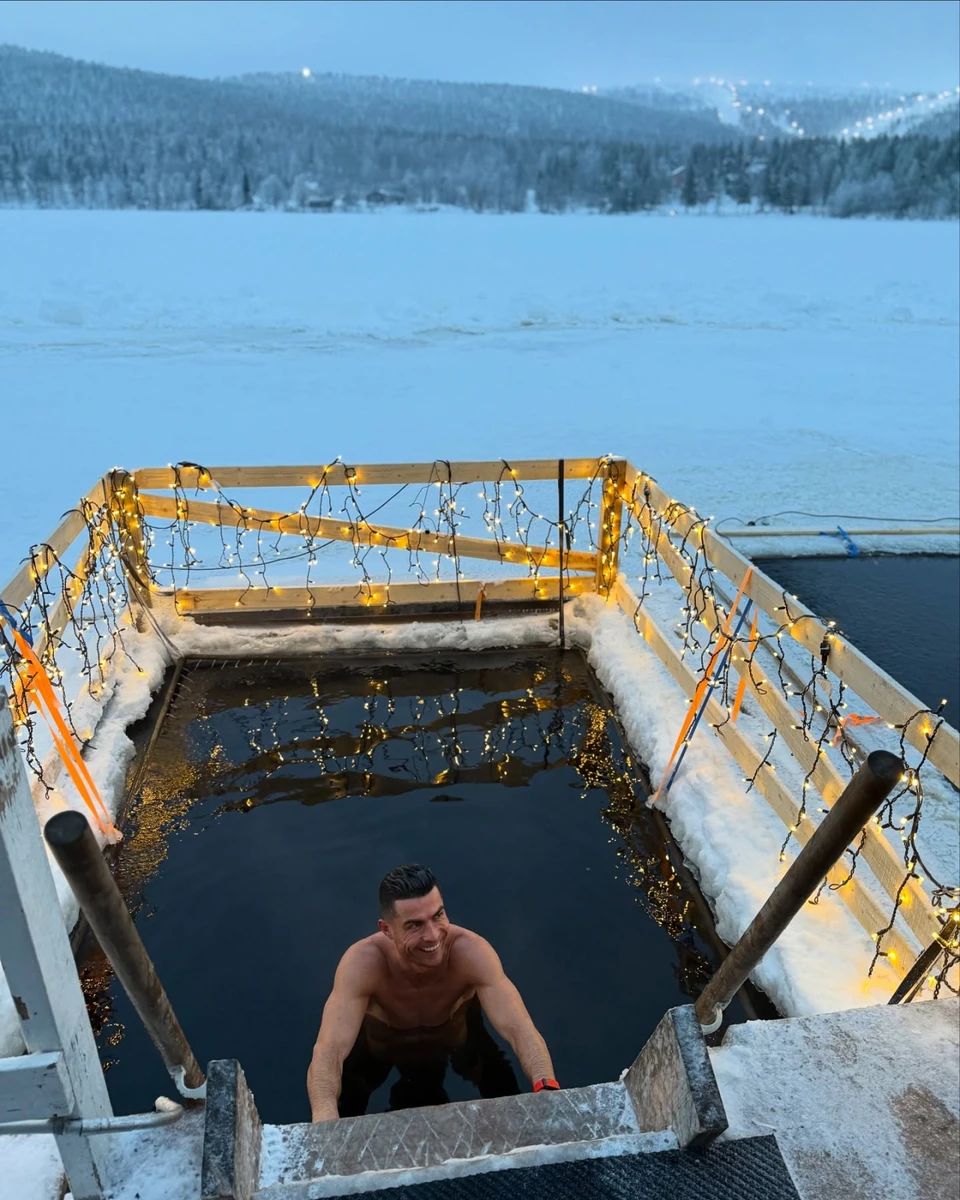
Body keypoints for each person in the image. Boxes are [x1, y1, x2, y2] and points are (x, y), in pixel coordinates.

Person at [306, 863, 559, 1120]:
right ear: (387, 929)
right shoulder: (364, 963)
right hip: (380, 1054)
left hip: (458, 1046)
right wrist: (325, 1117)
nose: (433, 936)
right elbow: (330, 1050)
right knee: (348, 1098)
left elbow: (520, 1029)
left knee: (500, 1083)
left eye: (438, 915)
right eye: (414, 925)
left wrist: (546, 1086)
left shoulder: (470, 952)